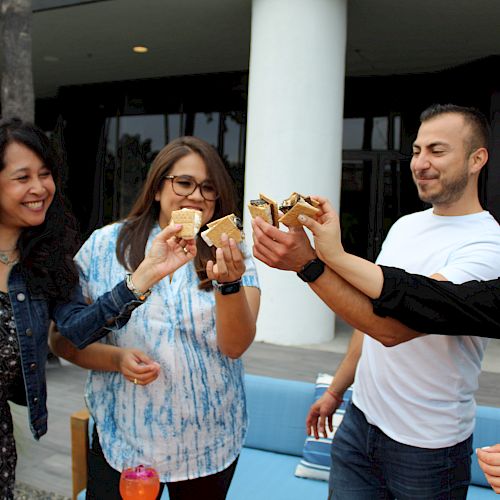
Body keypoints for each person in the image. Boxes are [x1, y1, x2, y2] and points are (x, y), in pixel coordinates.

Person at [252, 104, 500, 498]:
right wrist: (337, 390)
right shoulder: (406, 226)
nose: (420, 163)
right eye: (417, 151)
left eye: (437, 151)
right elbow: (369, 317)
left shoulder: (487, 245)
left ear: (477, 159)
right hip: (360, 424)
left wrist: (311, 264)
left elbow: (391, 328)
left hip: (428, 448)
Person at [50, 136, 261, 500]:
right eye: (184, 182)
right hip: (124, 439)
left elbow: (235, 346)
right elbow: (62, 339)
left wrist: (229, 283)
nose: (196, 196)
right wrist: (115, 359)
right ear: (158, 188)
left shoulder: (233, 250)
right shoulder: (105, 245)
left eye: (209, 187)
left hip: (208, 441)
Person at [0, 118, 195, 500]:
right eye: (22, 177)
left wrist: (143, 277)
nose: (40, 188)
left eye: (45, 174)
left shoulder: (47, 258)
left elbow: (74, 331)